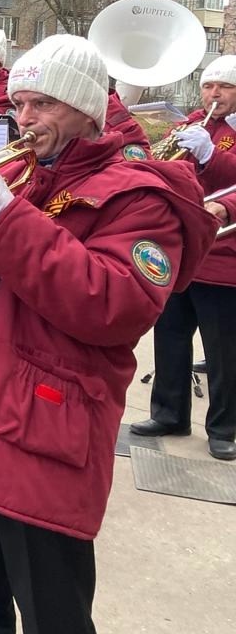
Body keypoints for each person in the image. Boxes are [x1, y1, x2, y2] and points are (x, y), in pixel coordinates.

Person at [0, 34, 215, 634]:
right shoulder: (17, 175)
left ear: (86, 111)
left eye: (43, 104)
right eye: (19, 104)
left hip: (42, 430)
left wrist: (4, 219)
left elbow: (115, 305)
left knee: (53, 615)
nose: (26, 119)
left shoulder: (140, 197)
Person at [131, 55, 236, 460]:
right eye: (208, 86)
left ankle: (223, 429)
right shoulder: (192, 123)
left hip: (223, 258)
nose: (214, 94)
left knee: (223, 352)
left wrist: (211, 156)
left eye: (224, 87)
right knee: (170, 337)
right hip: (181, 250)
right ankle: (169, 414)